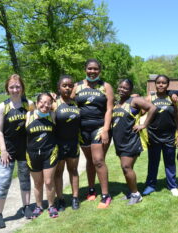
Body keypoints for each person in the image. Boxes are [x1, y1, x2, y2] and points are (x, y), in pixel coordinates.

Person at [71, 59, 114, 208]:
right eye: (90, 69)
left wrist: (106, 129)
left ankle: (105, 195)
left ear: (99, 71)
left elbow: (109, 109)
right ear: (85, 69)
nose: (92, 71)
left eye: (96, 69)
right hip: (82, 130)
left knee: (98, 160)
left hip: (99, 127)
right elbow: (67, 101)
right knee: (90, 161)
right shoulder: (77, 86)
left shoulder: (105, 86)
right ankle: (91, 189)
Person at [0, 74, 34, 228]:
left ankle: (26, 207)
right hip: (7, 150)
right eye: (12, 87)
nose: (15, 89)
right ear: (7, 89)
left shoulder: (29, 104)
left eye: (18, 86)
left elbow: (36, 120)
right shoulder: (3, 106)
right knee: (4, 182)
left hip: (24, 149)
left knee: (25, 179)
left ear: (22, 88)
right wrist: (3, 150)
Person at [112, 79, 156, 205]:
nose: (122, 89)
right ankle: (132, 192)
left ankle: (136, 195)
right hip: (120, 141)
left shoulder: (134, 101)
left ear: (130, 90)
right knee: (126, 168)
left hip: (131, 140)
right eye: (120, 87)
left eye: (125, 88)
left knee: (126, 167)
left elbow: (152, 108)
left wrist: (144, 125)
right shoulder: (117, 103)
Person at [142, 75, 178, 197]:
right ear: (155, 84)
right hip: (153, 135)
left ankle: (172, 186)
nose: (161, 85)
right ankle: (150, 185)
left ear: (167, 85)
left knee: (170, 162)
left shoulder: (172, 98)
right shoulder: (150, 98)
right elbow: (141, 111)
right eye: (158, 82)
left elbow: (176, 117)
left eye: (164, 83)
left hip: (169, 135)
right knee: (153, 162)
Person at [25, 93, 59, 218]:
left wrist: (54, 99)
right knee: (38, 183)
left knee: (49, 181)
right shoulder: (29, 115)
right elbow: (27, 102)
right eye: (42, 102)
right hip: (32, 154)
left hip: (49, 152)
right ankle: (38, 206)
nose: (45, 105)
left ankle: (51, 206)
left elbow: (56, 105)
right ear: (37, 102)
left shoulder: (52, 115)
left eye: (48, 103)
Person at [53, 75, 80, 211]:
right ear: (59, 88)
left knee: (73, 170)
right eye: (64, 85)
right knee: (58, 172)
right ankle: (61, 199)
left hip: (73, 143)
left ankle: (75, 198)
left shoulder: (75, 103)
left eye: (70, 85)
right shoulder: (54, 103)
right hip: (59, 143)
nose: (68, 88)